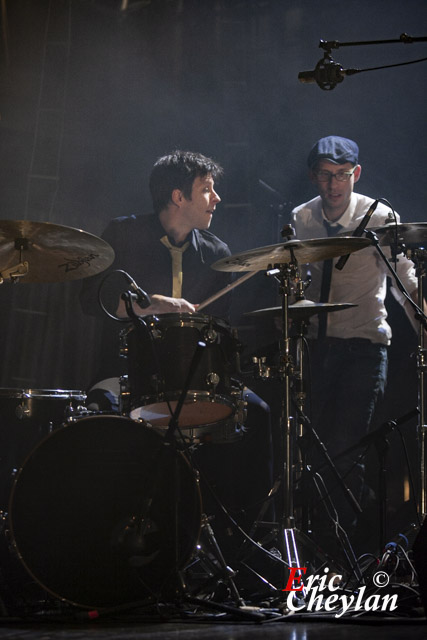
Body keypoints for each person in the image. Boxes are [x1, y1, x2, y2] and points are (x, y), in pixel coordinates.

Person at [79, 150, 273, 546]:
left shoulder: (217, 254)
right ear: (178, 197)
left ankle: (240, 546)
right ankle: (100, 540)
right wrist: (152, 304)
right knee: (98, 411)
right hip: (128, 374)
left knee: (258, 413)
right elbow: (90, 299)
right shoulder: (123, 234)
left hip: (195, 379)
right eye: (207, 189)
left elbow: (220, 330)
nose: (216, 198)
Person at [290, 136, 419, 558]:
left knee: (346, 449)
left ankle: (343, 553)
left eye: (342, 175)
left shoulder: (379, 216)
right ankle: (326, 545)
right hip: (317, 351)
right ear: (314, 176)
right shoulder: (301, 218)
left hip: (365, 347)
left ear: (356, 174)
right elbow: (294, 287)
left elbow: (405, 286)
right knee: (314, 450)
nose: (333, 185)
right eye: (325, 176)